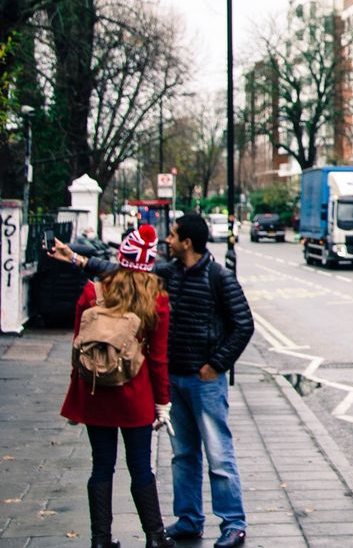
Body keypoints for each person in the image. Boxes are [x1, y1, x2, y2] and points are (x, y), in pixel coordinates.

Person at [52, 213, 253, 548]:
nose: (167, 241)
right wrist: (76, 258)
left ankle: (232, 523)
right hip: (161, 383)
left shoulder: (219, 277)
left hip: (201, 380)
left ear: (187, 242)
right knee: (178, 456)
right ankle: (180, 524)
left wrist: (216, 364)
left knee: (218, 455)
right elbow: (123, 274)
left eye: (173, 236)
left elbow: (243, 324)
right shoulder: (163, 279)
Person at [59, 225, 176, 548]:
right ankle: (155, 536)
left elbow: (77, 347)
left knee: (101, 466)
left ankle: (100, 540)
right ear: (149, 263)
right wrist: (162, 403)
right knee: (140, 466)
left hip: (95, 392)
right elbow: (158, 359)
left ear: (121, 259)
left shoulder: (93, 292)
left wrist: (75, 398)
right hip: (134, 396)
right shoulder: (157, 299)